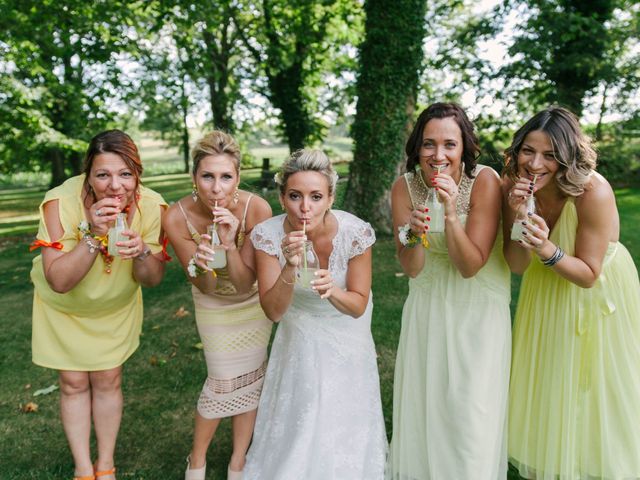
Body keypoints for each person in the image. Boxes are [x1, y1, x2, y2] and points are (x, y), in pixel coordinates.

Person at [503, 106, 640, 479]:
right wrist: (516, 215)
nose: (535, 164)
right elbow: (516, 264)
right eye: (529, 151)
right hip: (544, 289)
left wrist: (546, 249)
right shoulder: (513, 185)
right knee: (549, 382)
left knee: (593, 387)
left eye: (550, 155)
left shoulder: (592, 190)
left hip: (595, 295)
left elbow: (589, 274)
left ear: (568, 157)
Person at [30, 130, 167, 480]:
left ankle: (105, 466)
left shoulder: (152, 206)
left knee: (108, 378)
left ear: (137, 174)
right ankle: (82, 467)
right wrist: (92, 234)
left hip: (114, 307)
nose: (115, 186)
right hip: (65, 309)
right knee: (72, 383)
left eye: (125, 174)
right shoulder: (60, 202)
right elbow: (59, 281)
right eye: (103, 174)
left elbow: (152, 279)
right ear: (88, 175)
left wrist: (141, 253)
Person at [243, 149, 387, 479]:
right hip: (298, 327)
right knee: (305, 406)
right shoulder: (267, 235)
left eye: (316, 196)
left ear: (330, 198)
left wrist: (333, 290)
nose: (305, 207)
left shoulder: (355, 233)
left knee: (341, 409)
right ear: (282, 198)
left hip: (347, 327)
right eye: (295, 196)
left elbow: (358, 305)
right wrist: (290, 267)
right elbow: (274, 312)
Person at [387, 102, 512, 479]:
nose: (438, 155)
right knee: (427, 411)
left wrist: (451, 212)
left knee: (470, 415)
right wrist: (413, 233)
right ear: (417, 148)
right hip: (427, 307)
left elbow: (470, 265)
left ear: (464, 148)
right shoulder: (404, 187)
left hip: (476, 311)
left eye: (449, 145)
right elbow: (410, 266)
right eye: (428, 144)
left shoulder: (484, 181)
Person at [162, 131, 272, 480]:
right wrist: (204, 263)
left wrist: (229, 242)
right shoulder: (176, 218)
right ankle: (197, 460)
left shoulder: (257, 209)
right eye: (207, 176)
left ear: (237, 178)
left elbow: (243, 282)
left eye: (226, 176)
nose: (216, 187)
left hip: (252, 301)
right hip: (212, 304)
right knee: (223, 379)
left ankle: (238, 460)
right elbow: (207, 286)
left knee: (252, 379)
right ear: (194, 178)